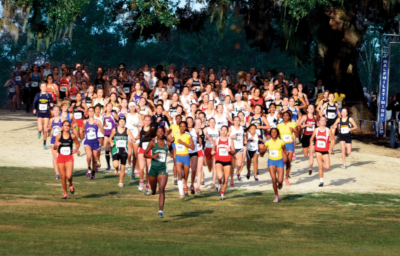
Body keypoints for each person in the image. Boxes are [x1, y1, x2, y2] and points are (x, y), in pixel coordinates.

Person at [145, 127, 171, 218]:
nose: (160, 133)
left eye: (162, 132)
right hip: (153, 169)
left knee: (161, 189)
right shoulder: (152, 142)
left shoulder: (167, 144)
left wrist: (173, 155)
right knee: (153, 189)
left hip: (163, 169)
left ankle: (160, 211)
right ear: (156, 133)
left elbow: (172, 153)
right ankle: (152, 190)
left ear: (164, 133)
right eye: (158, 132)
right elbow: (145, 154)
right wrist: (152, 156)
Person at [53, 120, 80, 199]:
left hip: (69, 157)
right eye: (65, 125)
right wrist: (56, 145)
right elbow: (54, 148)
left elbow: (77, 143)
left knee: (69, 176)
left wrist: (76, 149)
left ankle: (71, 184)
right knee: (63, 176)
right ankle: (65, 193)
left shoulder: (72, 136)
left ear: (70, 127)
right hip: (61, 157)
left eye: (68, 125)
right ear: (62, 126)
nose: (66, 127)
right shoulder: (58, 136)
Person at [310, 116, 335, 187]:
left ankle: (324, 160)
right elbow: (311, 138)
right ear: (319, 122)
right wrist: (311, 142)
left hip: (325, 151)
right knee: (320, 166)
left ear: (325, 121)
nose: (323, 121)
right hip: (317, 150)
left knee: (327, 167)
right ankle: (321, 181)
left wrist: (331, 148)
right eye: (321, 120)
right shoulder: (316, 130)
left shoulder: (328, 130)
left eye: (324, 120)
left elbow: (333, 139)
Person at [263, 128, 287, 203]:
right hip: (271, 162)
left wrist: (286, 157)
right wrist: (261, 151)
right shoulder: (267, 142)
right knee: (273, 179)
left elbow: (284, 150)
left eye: (275, 132)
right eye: (272, 132)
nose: (273, 133)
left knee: (279, 180)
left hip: (280, 161)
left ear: (277, 133)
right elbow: (263, 151)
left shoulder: (282, 142)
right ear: (270, 134)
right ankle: (276, 196)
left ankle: (280, 183)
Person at [212, 126, 235, 200]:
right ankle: (219, 183)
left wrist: (230, 150)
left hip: (227, 161)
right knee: (220, 176)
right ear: (220, 131)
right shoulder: (217, 140)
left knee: (226, 179)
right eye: (222, 130)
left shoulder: (230, 140)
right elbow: (213, 148)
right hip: (219, 160)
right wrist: (212, 151)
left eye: (225, 130)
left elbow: (234, 151)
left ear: (227, 132)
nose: (224, 132)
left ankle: (222, 194)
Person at [110, 117, 134, 187]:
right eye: (120, 121)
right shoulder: (114, 130)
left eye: (123, 121)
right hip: (116, 150)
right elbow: (110, 138)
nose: (122, 123)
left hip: (124, 151)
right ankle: (116, 168)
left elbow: (132, 137)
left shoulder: (127, 130)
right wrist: (111, 142)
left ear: (125, 122)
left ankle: (120, 181)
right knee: (115, 165)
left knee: (123, 168)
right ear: (118, 122)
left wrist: (132, 139)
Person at [174, 121, 195, 200]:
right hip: (178, 157)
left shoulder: (188, 136)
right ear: (179, 127)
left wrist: (183, 143)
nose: (182, 128)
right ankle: (181, 193)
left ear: (186, 127)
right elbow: (173, 144)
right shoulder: (176, 134)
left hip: (186, 157)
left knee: (185, 176)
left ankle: (185, 186)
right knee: (180, 175)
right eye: (181, 126)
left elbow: (192, 147)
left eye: (184, 126)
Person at [277, 111, 298, 185]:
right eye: (284, 116)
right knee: (284, 161)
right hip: (283, 145)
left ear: (289, 117)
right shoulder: (279, 125)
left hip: (290, 145)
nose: (285, 117)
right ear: (282, 117)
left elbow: (298, 135)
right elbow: (277, 135)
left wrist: (294, 130)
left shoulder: (293, 124)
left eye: (287, 116)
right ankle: (280, 175)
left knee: (289, 162)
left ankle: (286, 178)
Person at [83, 107, 105, 180]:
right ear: (88, 112)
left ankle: (93, 173)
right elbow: (82, 130)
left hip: (95, 142)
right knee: (89, 156)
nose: (91, 112)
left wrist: (99, 125)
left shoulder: (98, 121)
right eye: (90, 111)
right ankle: (89, 167)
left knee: (94, 159)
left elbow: (103, 132)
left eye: (93, 111)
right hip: (87, 142)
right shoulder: (85, 121)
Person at [33, 83, 54, 149]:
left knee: (45, 130)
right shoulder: (38, 95)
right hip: (40, 114)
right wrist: (34, 109)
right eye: (42, 86)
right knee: (40, 128)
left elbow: (52, 102)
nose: (43, 88)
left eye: (44, 86)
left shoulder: (49, 95)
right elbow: (34, 102)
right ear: (40, 88)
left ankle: (44, 143)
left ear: (46, 87)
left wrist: (51, 104)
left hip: (46, 114)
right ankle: (39, 131)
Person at [299, 104, 317, 174]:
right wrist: (306, 125)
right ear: (307, 109)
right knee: (306, 155)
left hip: (312, 137)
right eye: (310, 108)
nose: (311, 109)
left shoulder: (315, 117)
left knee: (311, 153)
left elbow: (317, 125)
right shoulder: (304, 117)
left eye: (313, 108)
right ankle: (310, 166)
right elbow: (299, 126)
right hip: (305, 137)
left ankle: (310, 168)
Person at [137, 115, 152, 193]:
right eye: (145, 120)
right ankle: (141, 181)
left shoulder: (152, 130)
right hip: (142, 149)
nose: (146, 122)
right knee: (141, 168)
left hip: (149, 150)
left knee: (148, 170)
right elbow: (138, 136)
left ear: (150, 121)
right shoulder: (141, 128)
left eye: (148, 120)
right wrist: (133, 138)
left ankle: (147, 186)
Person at [229, 116, 246, 183]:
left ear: (240, 121)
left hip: (240, 147)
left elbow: (244, 135)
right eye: (235, 120)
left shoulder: (242, 128)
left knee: (239, 164)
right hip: (232, 148)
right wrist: (231, 136)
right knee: (232, 166)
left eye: (238, 120)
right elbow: (225, 136)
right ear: (233, 121)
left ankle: (238, 172)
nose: (237, 122)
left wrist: (245, 140)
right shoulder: (231, 128)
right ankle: (232, 179)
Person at [49, 106, 65, 179]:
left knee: (62, 157)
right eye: (54, 110)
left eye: (57, 110)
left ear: (59, 111)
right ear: (52, 111)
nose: (55, 112)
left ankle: (63, 172)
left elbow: (69, 127)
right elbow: (50, 128)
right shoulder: (51, 120)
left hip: (62, 140)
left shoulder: (63, 119)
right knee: (55, 157)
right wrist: (47, 129)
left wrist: (62, 129)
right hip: (53, 140)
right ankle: (57, 174)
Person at [204, 118, 219, 188]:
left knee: (214, 165)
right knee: (208, 164)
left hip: (215, 148)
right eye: (211, 122)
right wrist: (207, 138)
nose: (212, 123)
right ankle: (209, 167)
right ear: (208, 123)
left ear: (215, 123)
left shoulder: (218, 130)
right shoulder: (206, 129)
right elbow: (203, 137)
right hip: (208, 148)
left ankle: (213, 181)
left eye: (213, 122)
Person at [103, 102, 119, 170]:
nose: (109, 107)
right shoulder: (103, 115)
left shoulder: (113, 114)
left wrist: (116, 129)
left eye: (110, 106)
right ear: (106, 107)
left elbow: (119, 121)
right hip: (106, 134)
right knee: (107, 150)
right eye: (108, 106)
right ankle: (108, 165)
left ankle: (115, 166)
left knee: (113, 150)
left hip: (112, 135)